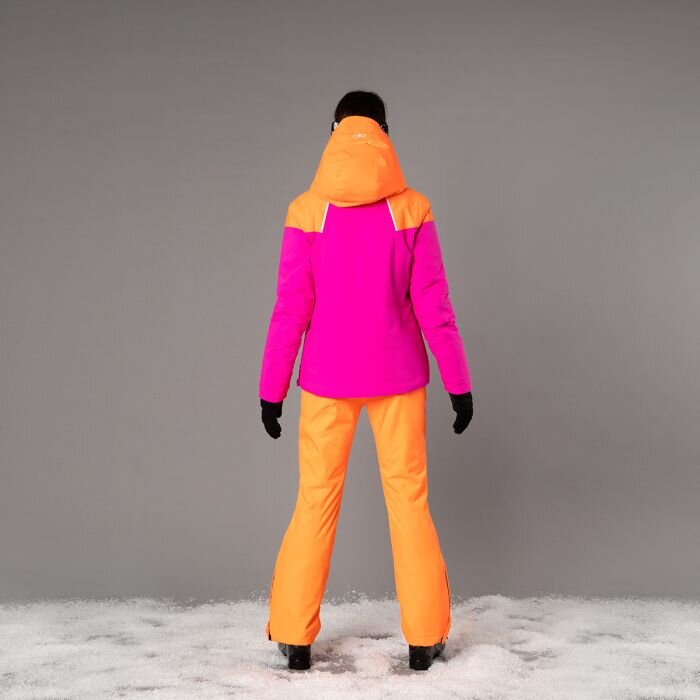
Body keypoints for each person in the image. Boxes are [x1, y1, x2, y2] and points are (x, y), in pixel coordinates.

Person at [258, 90, 473, 672]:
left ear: (333, 130)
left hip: (325, 381)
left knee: (315, 500)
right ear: (385, 132)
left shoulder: (306, 210)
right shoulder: (413, 209)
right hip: (399, 379)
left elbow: (290, 308)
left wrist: (272, 390)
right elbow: (435, 306)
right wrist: (458, 383)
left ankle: (294, 638)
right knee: (409, 501)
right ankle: (424, 639)